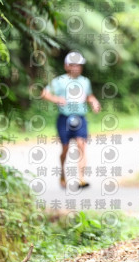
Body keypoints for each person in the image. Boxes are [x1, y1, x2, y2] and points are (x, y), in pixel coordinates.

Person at [41, 51, 101, 188]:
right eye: (74, 65)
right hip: (64, 118)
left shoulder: (85, 81)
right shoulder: (59, 81)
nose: (77, 68)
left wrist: (94, 101)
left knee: (81, 145)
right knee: (65, 148)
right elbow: (44, 93)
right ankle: (63, 174)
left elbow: (89, 96)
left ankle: (81, 179)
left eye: (79, 65)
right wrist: (56, 99)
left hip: (80, 118)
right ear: (66, 66)